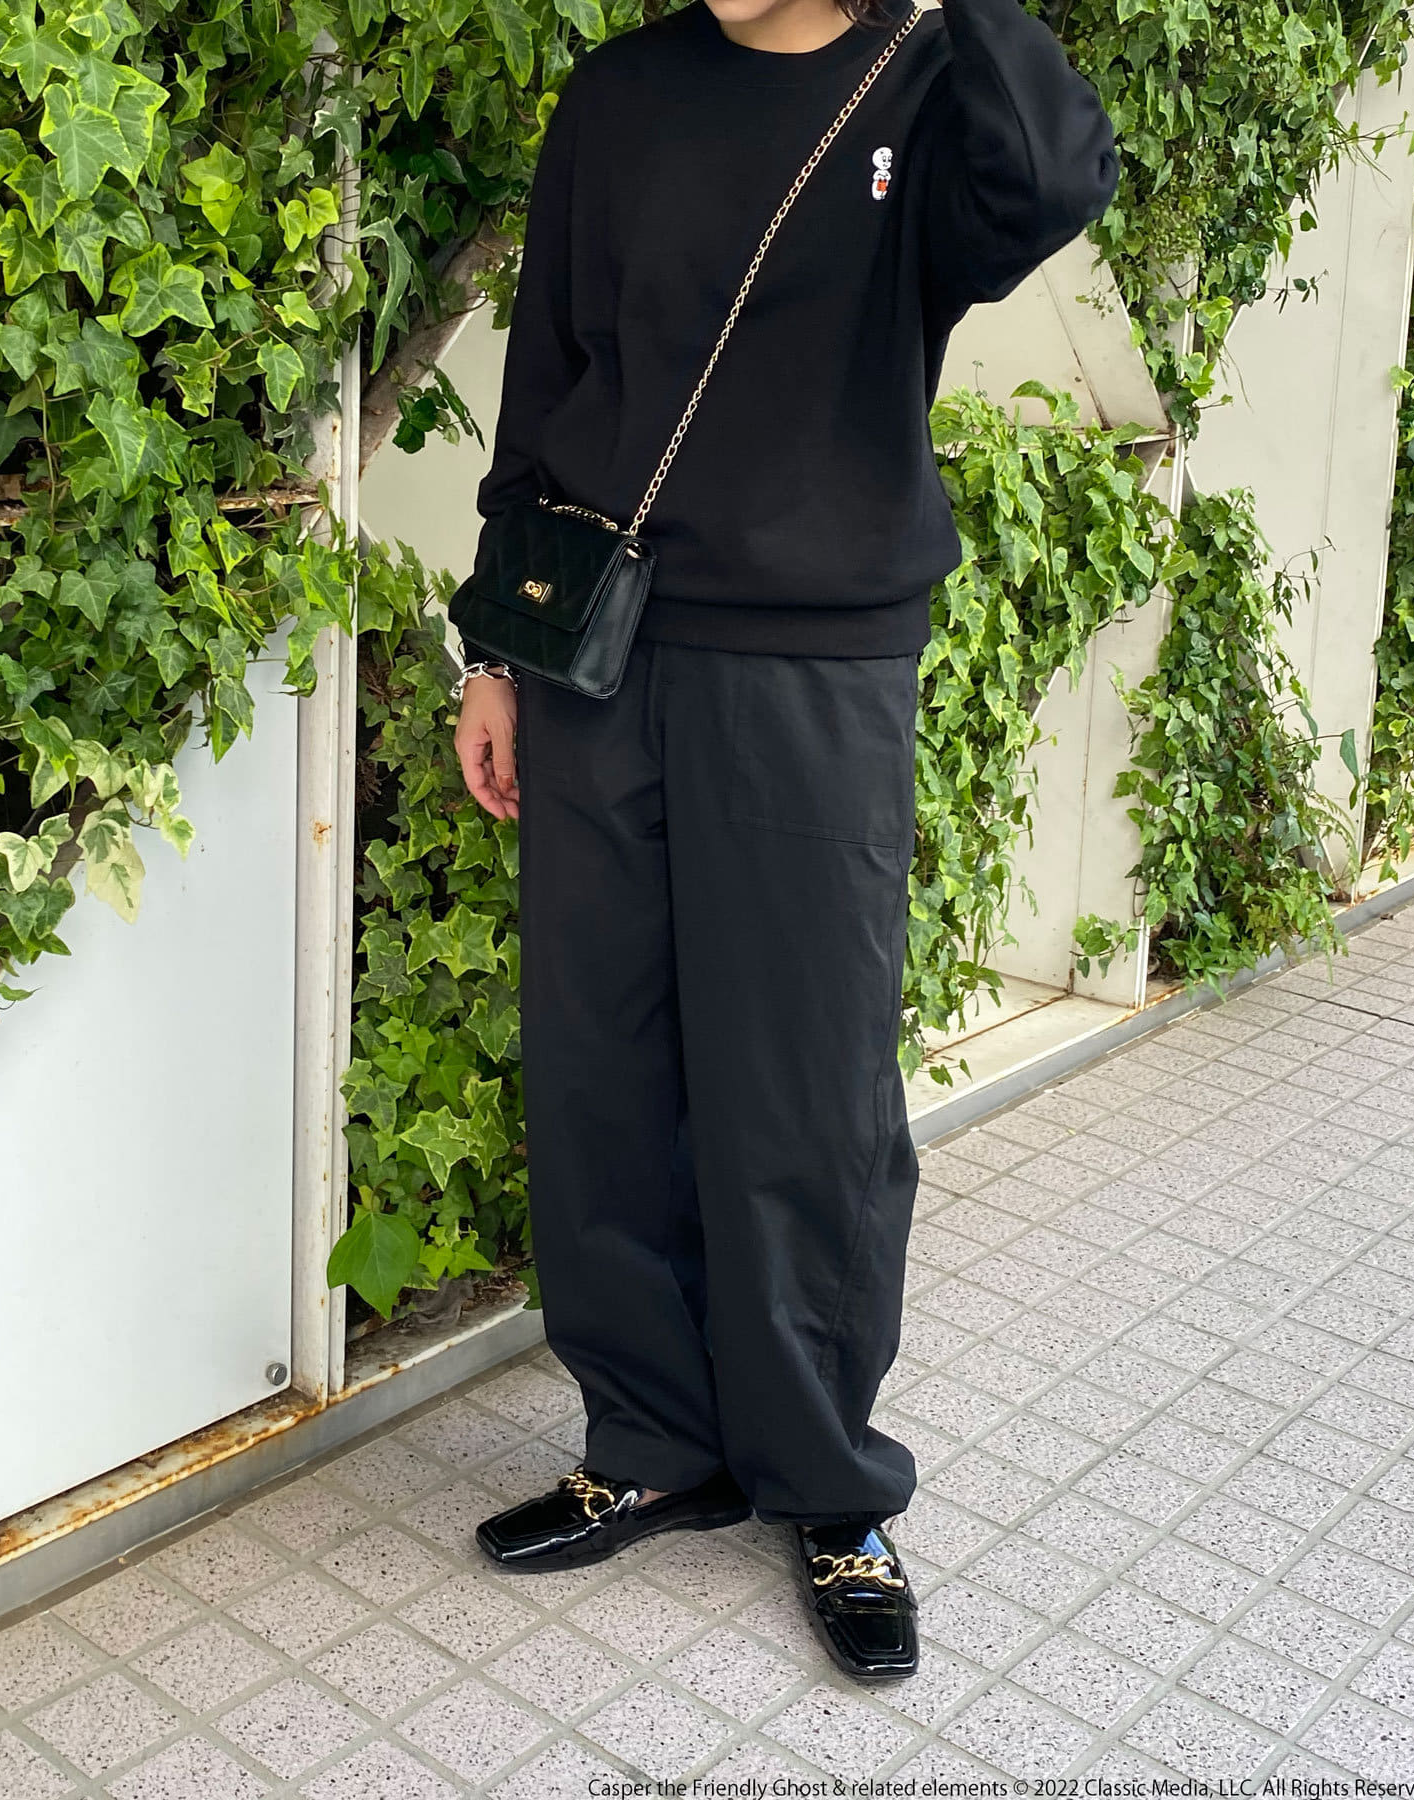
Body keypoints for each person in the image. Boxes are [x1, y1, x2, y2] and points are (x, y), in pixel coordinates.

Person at [449, 0, 1116, 1684]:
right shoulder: (619, 94)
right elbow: (547, 379)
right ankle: (651, 1442)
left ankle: (828, 1487)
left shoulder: (926, 82)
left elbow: (1053, 177)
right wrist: (493, 655)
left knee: (805, 1089)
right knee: (603, 1064)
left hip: (816, 665)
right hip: (597, 652)